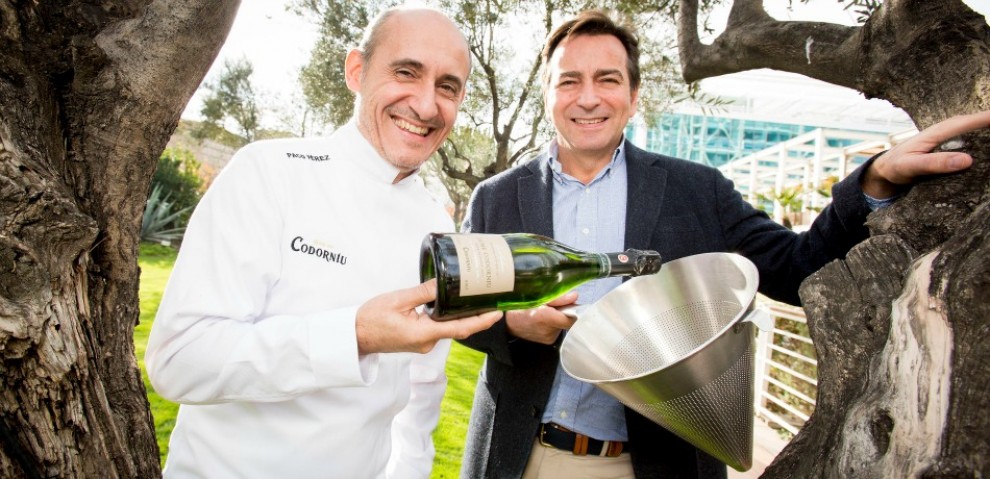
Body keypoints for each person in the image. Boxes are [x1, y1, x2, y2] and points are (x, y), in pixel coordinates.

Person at [456, 9, 990, 479]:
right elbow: (460, 312)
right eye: (569, 81)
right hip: (523, 457)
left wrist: (873, 181)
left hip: (656, 464)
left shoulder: (698, 191)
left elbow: (797, 267)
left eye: (608, 79)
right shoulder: (497, 198)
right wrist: (513, 326)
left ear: (634, 96)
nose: (589, 97)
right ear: (548, 94)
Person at [144, 7, 502, 479]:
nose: (426, 105)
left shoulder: (437, 225)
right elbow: (179, 360)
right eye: (405, 72)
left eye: (447, 87)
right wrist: (354, 336)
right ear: (356, 70)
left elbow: (421, 390)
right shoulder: (268, 173)